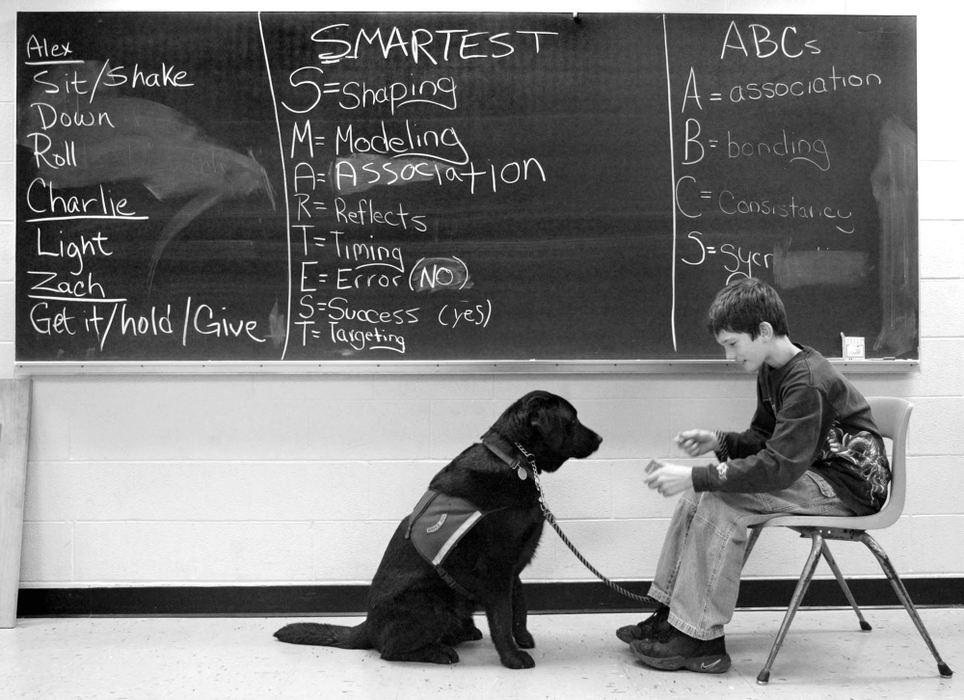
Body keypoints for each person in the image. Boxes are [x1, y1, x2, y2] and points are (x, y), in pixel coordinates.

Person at [619, 277, 890, 674]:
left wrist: (699, 475)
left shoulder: (807, 380)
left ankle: (701, 640)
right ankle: (671, 616)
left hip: (847, 487)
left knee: (721, 501)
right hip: (812, 470)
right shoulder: (771, 369)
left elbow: (777, 467)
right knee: (698, 496)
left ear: (763, 331)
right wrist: (719, 440)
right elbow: (764, 439)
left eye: (732, 343)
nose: (730, 355)